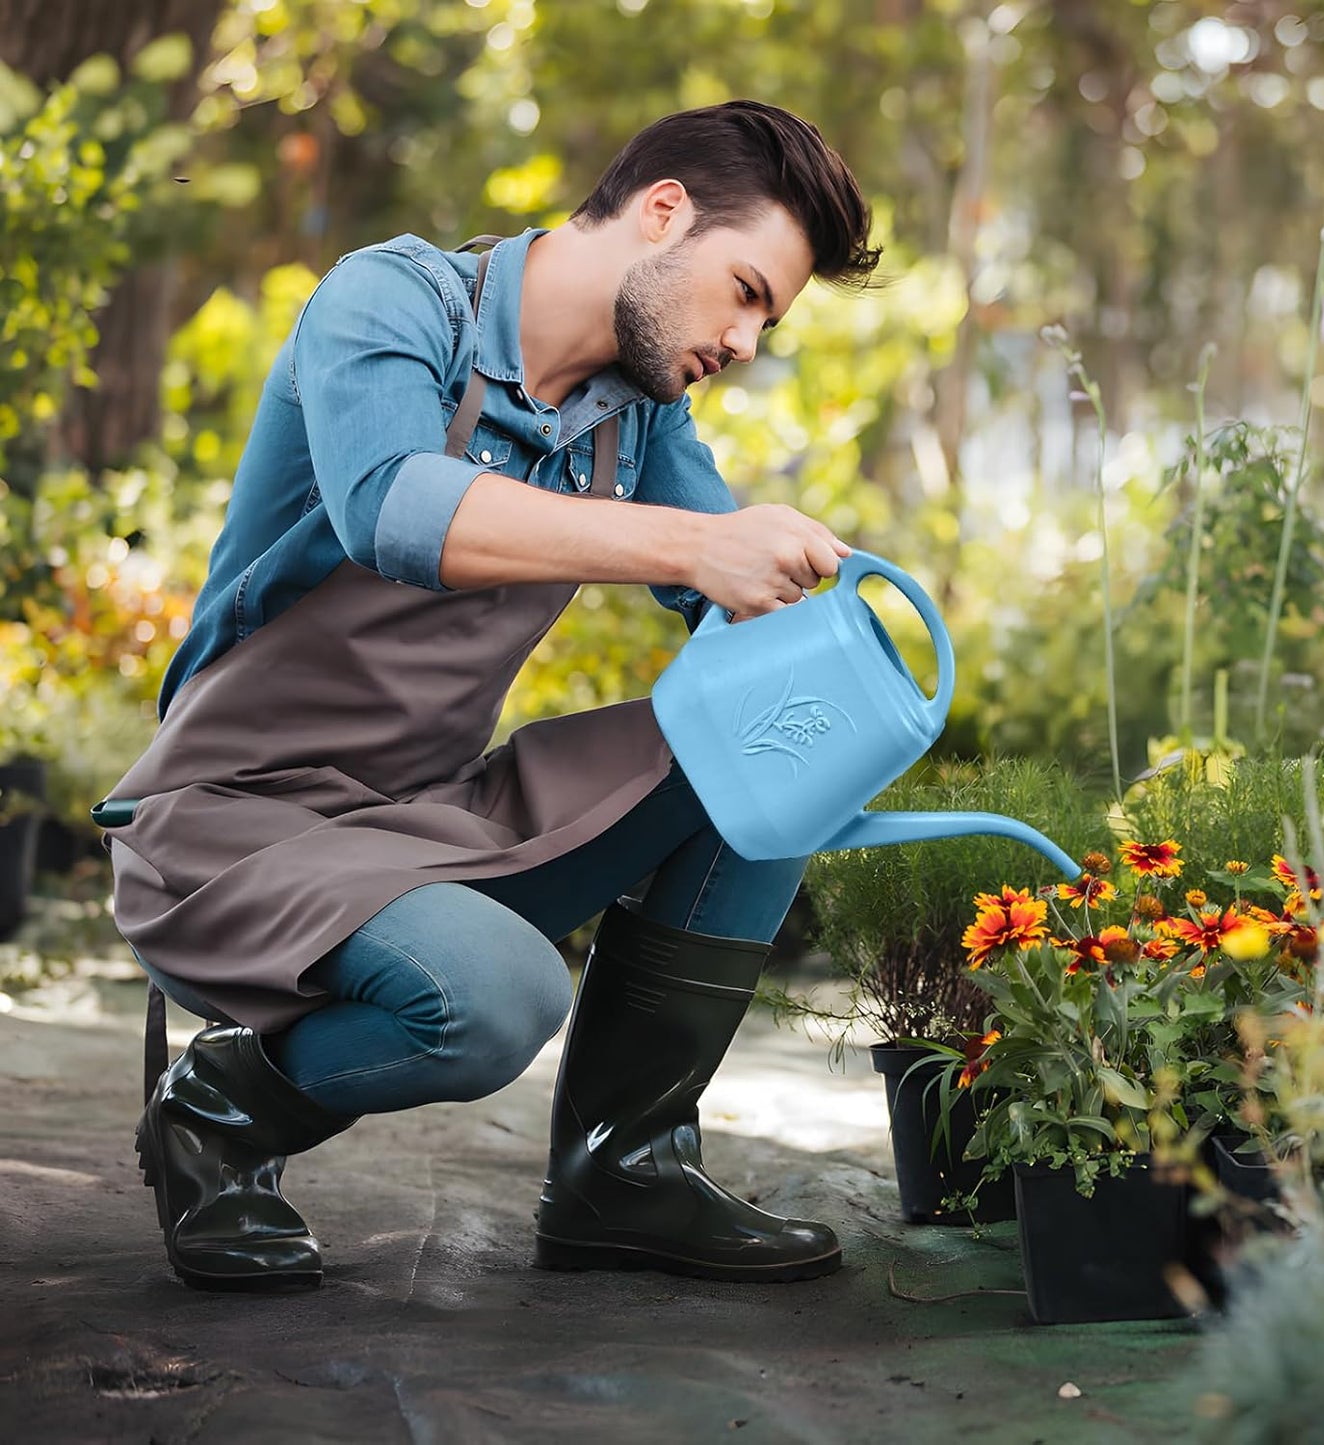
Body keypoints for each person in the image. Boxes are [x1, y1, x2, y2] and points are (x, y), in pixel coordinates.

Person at [100, 99, 881, 1292]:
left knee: (780, 747)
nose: (744, 340)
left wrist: (842, 640)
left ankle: (622, 1168)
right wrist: (681, 547)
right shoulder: (396, 302)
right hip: (238, 818)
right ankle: (220, 1106)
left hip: (424, 814)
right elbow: (395, 510)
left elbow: (732, 580)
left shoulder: (637, 415)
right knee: (493, 998)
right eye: (745, 291)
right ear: (661, 211)